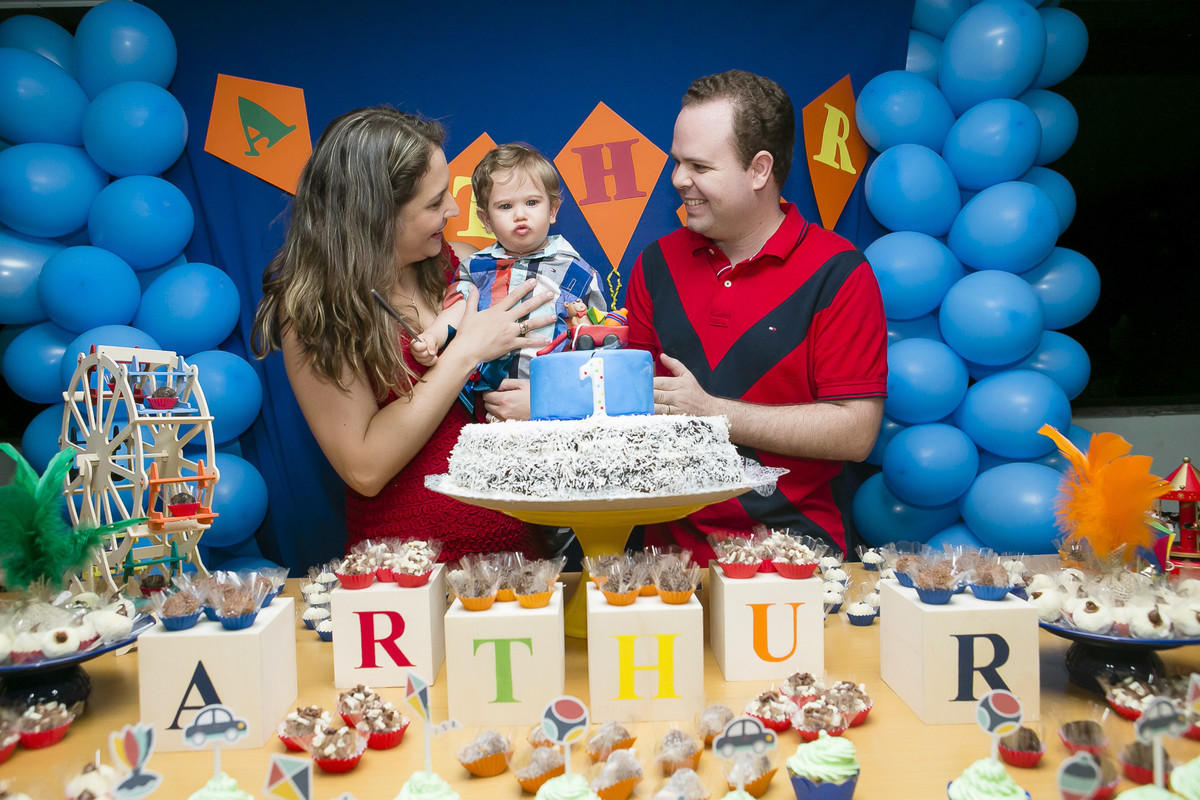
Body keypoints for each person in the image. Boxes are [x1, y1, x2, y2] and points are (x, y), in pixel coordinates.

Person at [250, 107, 555, 560]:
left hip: (522, 563)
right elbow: (365, 467)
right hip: (406, 579)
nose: (454, 210)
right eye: (435, 203)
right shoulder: (315, 314)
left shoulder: (468, 266)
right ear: (376, 215)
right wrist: (465, 351)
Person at [624, 70, 888, 564]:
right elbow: (629, 406)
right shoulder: (655, 264)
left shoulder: (838, 272)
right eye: (677, 161)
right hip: (664, 564)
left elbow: (856, 433)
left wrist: (713, 414)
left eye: (699, 165)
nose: (679, 179)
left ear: (759, 169)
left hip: (794, 557)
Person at [412, 143, 607, 391]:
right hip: (487, 399)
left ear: (553, 210)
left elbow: (597, 339)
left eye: (532, 202)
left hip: (558, 395)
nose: (520, 215)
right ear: (486, 220)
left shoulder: (577, 272)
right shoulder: (476, 267)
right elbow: (458, 307)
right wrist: (433, 336)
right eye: (505, 206)